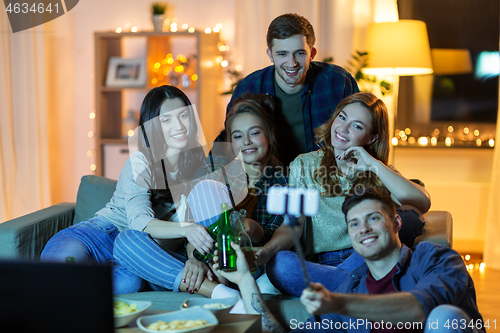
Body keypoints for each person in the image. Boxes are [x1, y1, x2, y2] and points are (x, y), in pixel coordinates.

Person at [213, 188, 485, 333]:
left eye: (373, 218)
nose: (363, 228)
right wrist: (245, 280)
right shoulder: (350, 287)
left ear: (397, 222)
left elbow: (420, 310)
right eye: (353, 224)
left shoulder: (436, 259)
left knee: (444, 317)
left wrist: (339, 303)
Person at [41, 85, 213, 295]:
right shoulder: (140, 162)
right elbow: (138, 221)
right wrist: (187, 229)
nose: (179, 126)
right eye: (166, 120)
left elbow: (203, 229)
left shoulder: (201, 169)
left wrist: (195, 256)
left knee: (129, 284)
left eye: (183, 116)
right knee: (62, 269)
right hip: (99, 234)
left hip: (137, 251)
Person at [113, 93, 288, 298]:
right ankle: (221, 289)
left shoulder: (284, 182)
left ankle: (230, 288)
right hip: (208, 266)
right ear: (231, 142)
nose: (247, 142)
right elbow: (194, 226)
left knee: (282, 266)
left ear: (269, 134)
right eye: (238, 136)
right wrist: (193, 258)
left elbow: (278, 235)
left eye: (255, 133)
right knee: (126, 243)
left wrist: (251, 230)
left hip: (254, 262)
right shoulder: (215, 170)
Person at [263, 92, 431, 296]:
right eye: (342, 117)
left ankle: (342, 291)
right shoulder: (304, 164)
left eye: (357, 126)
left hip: (366, 256)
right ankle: (361, 288)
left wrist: (372, 165)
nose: (343, 128)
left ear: (372, 138)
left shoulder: (377, 170)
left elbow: (422, 203)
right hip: (320, 264)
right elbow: (292, 227)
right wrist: (268, 250)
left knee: (409, 219)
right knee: (280, 265)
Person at [215, 13, 359, 168]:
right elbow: (229, 143)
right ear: (270, 55)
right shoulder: (249, 87)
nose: (292, 63)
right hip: (268, 184)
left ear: (312, 54)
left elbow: (363, 132)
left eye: (300, 53)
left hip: (328, 180)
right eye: (282, 54)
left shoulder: (338, 81)